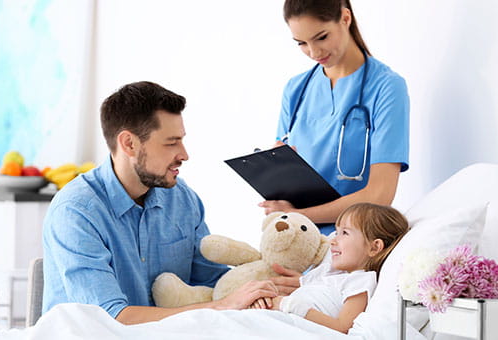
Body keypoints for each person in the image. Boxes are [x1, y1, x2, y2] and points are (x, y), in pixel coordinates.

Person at [42, 81, 278, 325]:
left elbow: (212, 283)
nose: (184, 154)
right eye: (171, 142)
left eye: (181, 140)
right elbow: (110, 320)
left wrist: (264, 285)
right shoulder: (75, 212)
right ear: (129, 144)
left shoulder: (182, 200)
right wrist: (221, 306)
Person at [258, 0, 410, 235]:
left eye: (321, 37)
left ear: (345, 18)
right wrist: (277, 172)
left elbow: (380, 196)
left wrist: (300, 216)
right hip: (295, 237)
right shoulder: (296, 90)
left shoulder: (387, 87)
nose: (314, 52)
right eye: (301, 43)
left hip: (354, 241)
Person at [252, 203, 409, 333]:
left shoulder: (359, 281)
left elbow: (342, 328)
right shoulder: (330, 274)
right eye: (336, 232)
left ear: (374, 248)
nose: (333, 241)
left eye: (344, 233)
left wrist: (290, 305)